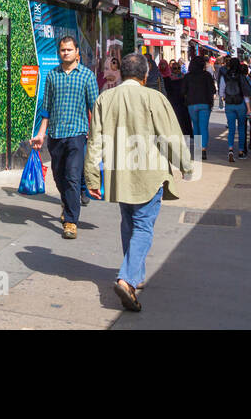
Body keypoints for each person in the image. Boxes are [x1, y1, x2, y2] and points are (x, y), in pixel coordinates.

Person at [86, 53, 193, 312]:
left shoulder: (105, 99)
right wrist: (186, 165)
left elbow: (95, 140)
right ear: (145, 76)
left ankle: (136, 274)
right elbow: (171, 137)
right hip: (149, 172)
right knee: (143, 226)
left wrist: (91, 175)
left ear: (121, 73)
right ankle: (128, 279)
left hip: (118, 172)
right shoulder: (154, 98)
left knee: (128, 222)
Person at [31, 35, 98, 239]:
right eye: (62, 50)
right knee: (59, 176)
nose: (65, 53)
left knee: (72, 176)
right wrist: (41, 133)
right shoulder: (52, 76)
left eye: (69, 49)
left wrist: (97, 136)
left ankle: (70, 222)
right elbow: (47, 108)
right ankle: (67, 201)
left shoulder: (87, 76)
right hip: (55, 135)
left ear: (77, 52)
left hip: (77, 134)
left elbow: (94, 108)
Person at [182, 53, 217, 160]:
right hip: (205, 104)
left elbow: (183, 91)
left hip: (192, 104)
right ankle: (203, 149)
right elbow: (213, 90)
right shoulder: (206, 75)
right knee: (204, 127)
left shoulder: (187, 76)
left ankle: (197, 149)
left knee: (196, 126)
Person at [220, 57, 250, 162]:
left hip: (229, 104)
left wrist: (225, 98)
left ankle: (230, 149)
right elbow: (246, 93)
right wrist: (249, 109)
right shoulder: (241, 76)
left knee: (231, 128)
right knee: (241, 128)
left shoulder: (225, 76)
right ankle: (241, 151)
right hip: (240, 103)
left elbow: (221, 91)